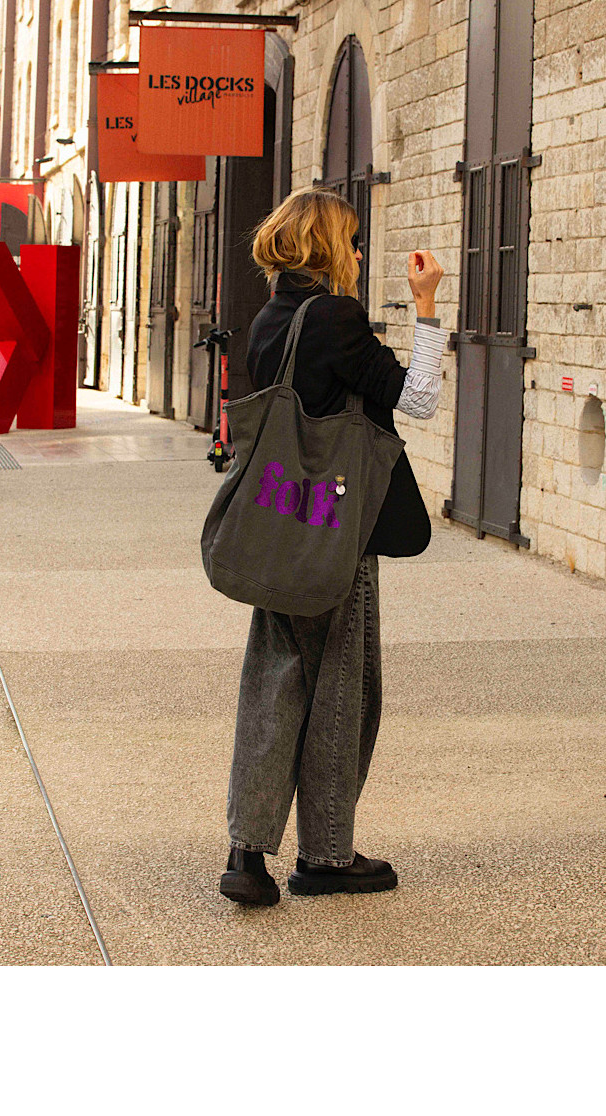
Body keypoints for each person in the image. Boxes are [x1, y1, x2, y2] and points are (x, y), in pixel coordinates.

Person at [221, 186, 445, 908]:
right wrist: (427, 307)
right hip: (334, 530)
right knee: (344, 690)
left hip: (276, 527)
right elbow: (417, 398)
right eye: (351, 240)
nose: (358, 252)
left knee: (274, 685)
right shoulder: (335, 319)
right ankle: (325, 855)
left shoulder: (269, 319)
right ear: (326, 247)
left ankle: (246, 853)